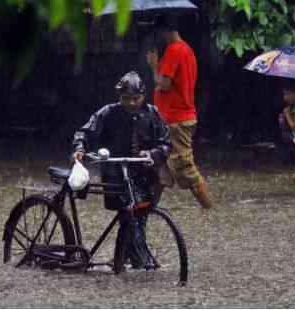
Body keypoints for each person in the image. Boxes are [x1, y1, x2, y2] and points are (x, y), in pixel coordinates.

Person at [72, 71, 172, 267]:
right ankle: (133, 257)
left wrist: (152, 154)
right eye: (127, 99)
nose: (132, 103)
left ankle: (130, 255)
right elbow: (85, 130)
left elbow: (167, 143)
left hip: (147, 173)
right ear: (119, 97)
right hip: (116, 172)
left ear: (143, 96)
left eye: (136, 98)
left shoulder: (152, 113)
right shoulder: (108, 112)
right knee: (129, 213)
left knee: (140, 214)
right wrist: (80, 147)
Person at [145, 14, 213, 209]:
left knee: (186, 168)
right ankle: (148, 207)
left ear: (164, 31)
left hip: (176, 119)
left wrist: (153, 66)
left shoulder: (174, 51)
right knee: (159, 165)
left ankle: (209, 210)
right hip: (176, 117)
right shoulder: (187, 50)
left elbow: (163, 84)